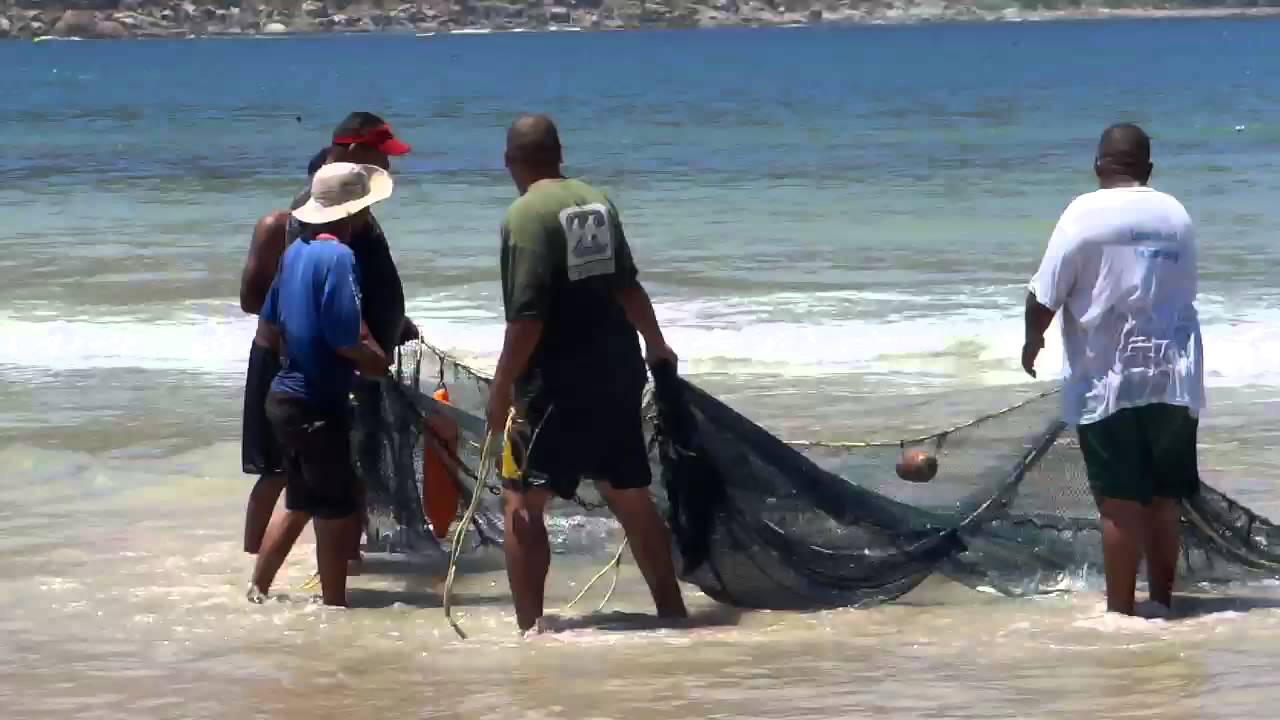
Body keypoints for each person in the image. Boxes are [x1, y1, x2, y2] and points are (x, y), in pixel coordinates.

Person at [485, 114, 688, 633]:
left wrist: (503, 387)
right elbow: (627, 286)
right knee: (628, 494)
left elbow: (526, 318)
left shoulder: (524, 215)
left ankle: (528, 630)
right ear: (559, 154)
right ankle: (671, 613)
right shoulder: (595, 201)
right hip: (616, 372)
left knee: (522, 500)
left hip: (554, 384)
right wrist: (656, 343)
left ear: (512, 161)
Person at [1022, 123, 1205, 616]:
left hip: (1110, 380)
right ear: (1148, 169)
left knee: (1121, 504)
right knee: (1165, 500)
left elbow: (1044, 294)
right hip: (1175, 378)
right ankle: (1164, 605)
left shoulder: (1084, 213)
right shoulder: (1176, 214)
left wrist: (1032, 339)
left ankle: (1121, 615)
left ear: (1099, 165)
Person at [237, 113, 414, 556]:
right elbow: (292, 301)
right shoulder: (306, 224)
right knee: (285, 472)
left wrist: (394, 323)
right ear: (353, 154)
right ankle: (260, 560)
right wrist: (351, 345)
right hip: (307, 364)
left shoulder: (358, 215)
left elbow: (364, 286)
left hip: (343, 358)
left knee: (338, 470)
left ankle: (338, 561)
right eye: (380, 156)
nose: (387, 168)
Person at [249, 162, 395, 606]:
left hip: (283, 398)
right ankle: (335, 607)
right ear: (353, 214)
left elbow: (270, 326)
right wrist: (376, 362)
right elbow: (344, 336)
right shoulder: (341, 258)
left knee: (299, 501)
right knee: (335, 510)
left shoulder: (294, 253)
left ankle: (258, 589)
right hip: (316, 406)